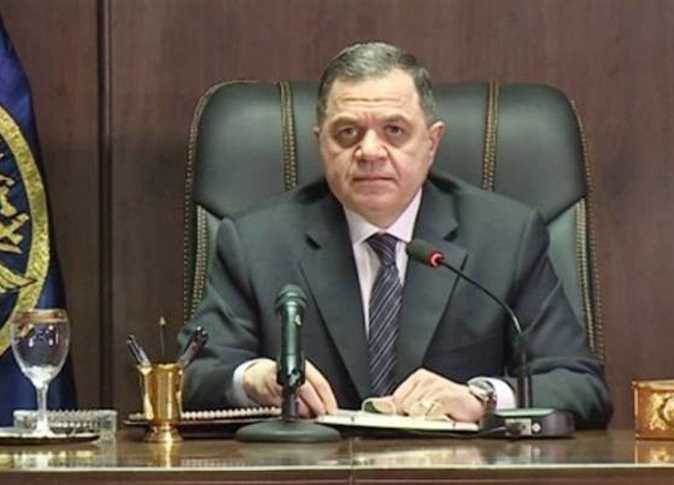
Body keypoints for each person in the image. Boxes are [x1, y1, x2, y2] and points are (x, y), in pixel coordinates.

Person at [178, 41, 612, 427]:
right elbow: (190, 377)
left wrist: (481, 399)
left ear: (432, 142)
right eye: (347, 133)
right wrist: (252, 380)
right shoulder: (256, 242)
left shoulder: (506, 238)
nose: (369, 151)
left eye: (395, 131)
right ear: (320, 143)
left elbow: (579, 384)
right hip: (309, 473)